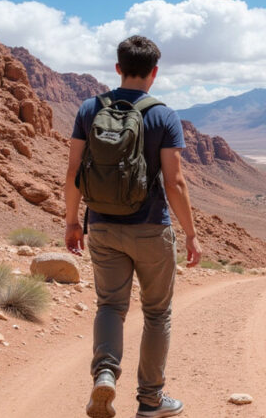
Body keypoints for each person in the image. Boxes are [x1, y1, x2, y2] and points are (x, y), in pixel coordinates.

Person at [64, 35, 201, 418]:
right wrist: (190, 233)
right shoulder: (163, 115)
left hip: (103, 227)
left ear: (118, 68)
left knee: (110, 306)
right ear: (154, 72)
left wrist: (72, 221)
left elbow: (74, 171)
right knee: (157, 314)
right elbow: (175, 182)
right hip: (151, 228)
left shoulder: (90, 109)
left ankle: (105, 374)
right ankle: (150, 400)